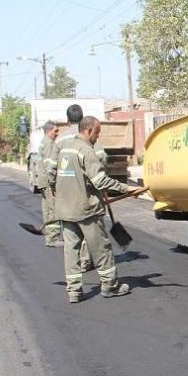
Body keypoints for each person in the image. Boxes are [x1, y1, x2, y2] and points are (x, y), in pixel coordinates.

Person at [54, 116, 136, 303]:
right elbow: (101, 181)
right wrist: (127, 188)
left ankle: (74, 291)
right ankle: (110, 286)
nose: (98, 137)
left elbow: (54, 178)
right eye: (97, 133)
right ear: (88, 130)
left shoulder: (64, 148)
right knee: (101, 249)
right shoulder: (86, 151)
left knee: (71, 251)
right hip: (86, 210)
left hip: (65, 209)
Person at [48, 104, 107, 272]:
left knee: (72, 231)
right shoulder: (90, 137)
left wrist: (53, 186)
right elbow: (102, 160)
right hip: (88, 191)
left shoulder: (60, 140)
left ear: (67, 120)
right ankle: (88, 259)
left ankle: (76, 273)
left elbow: (52, 166)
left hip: (67, 192)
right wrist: (100, 181)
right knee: (90, 225)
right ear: (83, 121)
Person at [38, 121, 62, 247]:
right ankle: (53, 238)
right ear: (48, 131)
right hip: (48, 182)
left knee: (47, 209)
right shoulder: (49, 144)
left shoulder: (43, 142)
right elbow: (49, 166)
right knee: (54, 209)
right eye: (55, 131)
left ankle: (49, 237)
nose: (57, 133)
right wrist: (53, 183)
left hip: (42, 181)